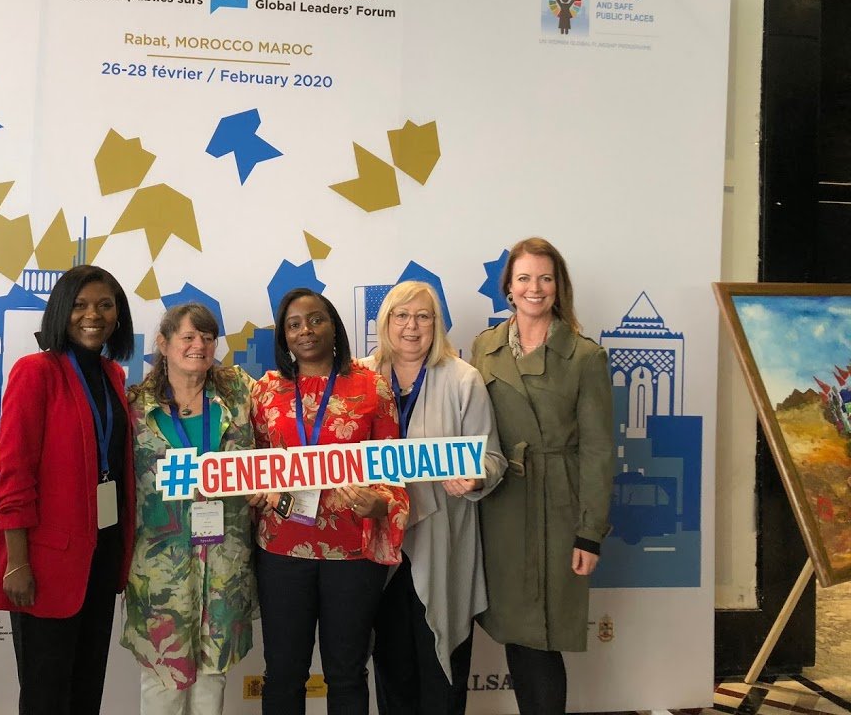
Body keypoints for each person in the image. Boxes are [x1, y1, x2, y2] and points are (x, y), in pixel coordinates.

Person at [470, 238, 614, 715]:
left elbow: (597, 449)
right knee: (517, 629)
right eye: (525, 278)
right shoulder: (484, 347)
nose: (535, 288)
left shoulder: (586, 356)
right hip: (501, 506)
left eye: (546, 278)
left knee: (543, 635)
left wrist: (589, 532)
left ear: (559, 286)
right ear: (508, 288)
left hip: (558, 508)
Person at [0, 264, 136, 715]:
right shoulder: (35, 372)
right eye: (80, 305)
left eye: (105, 305)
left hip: (102, 555)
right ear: (61, 311)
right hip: (45, 562)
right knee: (46, 697)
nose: (93, 315)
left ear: (118, 315)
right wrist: (17, 563)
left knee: (87, 692)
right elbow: (14, 474)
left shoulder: (113, 376)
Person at [250, 288, 408, 715]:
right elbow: (252, 464)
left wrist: (381, 503)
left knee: (346, 673)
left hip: (352, 554)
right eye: (294, 324)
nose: (306, 330)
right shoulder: (264, 391)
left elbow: (392, 468)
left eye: (316, 319)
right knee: (283, 673)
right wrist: (256, 492)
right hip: (282, 551)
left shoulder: (372, 385)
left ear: (334, 327)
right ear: (284, 337)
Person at [362, 281, 506, 715]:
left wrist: (476, 478)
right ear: (385, 322)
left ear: (437, 324)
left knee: (440, 666)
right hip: (379, 544)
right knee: (391, 663)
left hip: (442, 541)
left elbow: (492, 458)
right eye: (401, 316)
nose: (412, 326)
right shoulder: (359, 377)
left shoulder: (463, 378)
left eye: (423, 316)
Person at [121, 303, 256, 714]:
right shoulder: (134, 407)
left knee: (212, 681)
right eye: (188, 337)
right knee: (162, 684)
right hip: (160, 571)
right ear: (163, 344)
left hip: (224, 565)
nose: (200, 345)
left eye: (208, 337)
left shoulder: (240, 393)